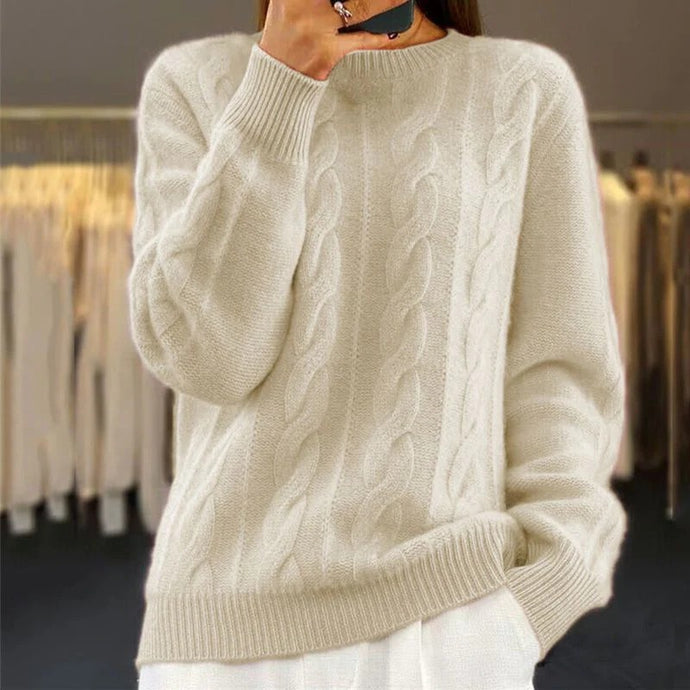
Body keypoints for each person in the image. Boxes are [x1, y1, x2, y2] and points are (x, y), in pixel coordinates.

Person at [130, 0, 628, 688]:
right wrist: (280, 81)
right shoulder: (191, 84)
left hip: (445, 622)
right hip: (220, 635)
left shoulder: (524, 89)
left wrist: (533, 604)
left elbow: (561, 370)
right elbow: (206, 360)